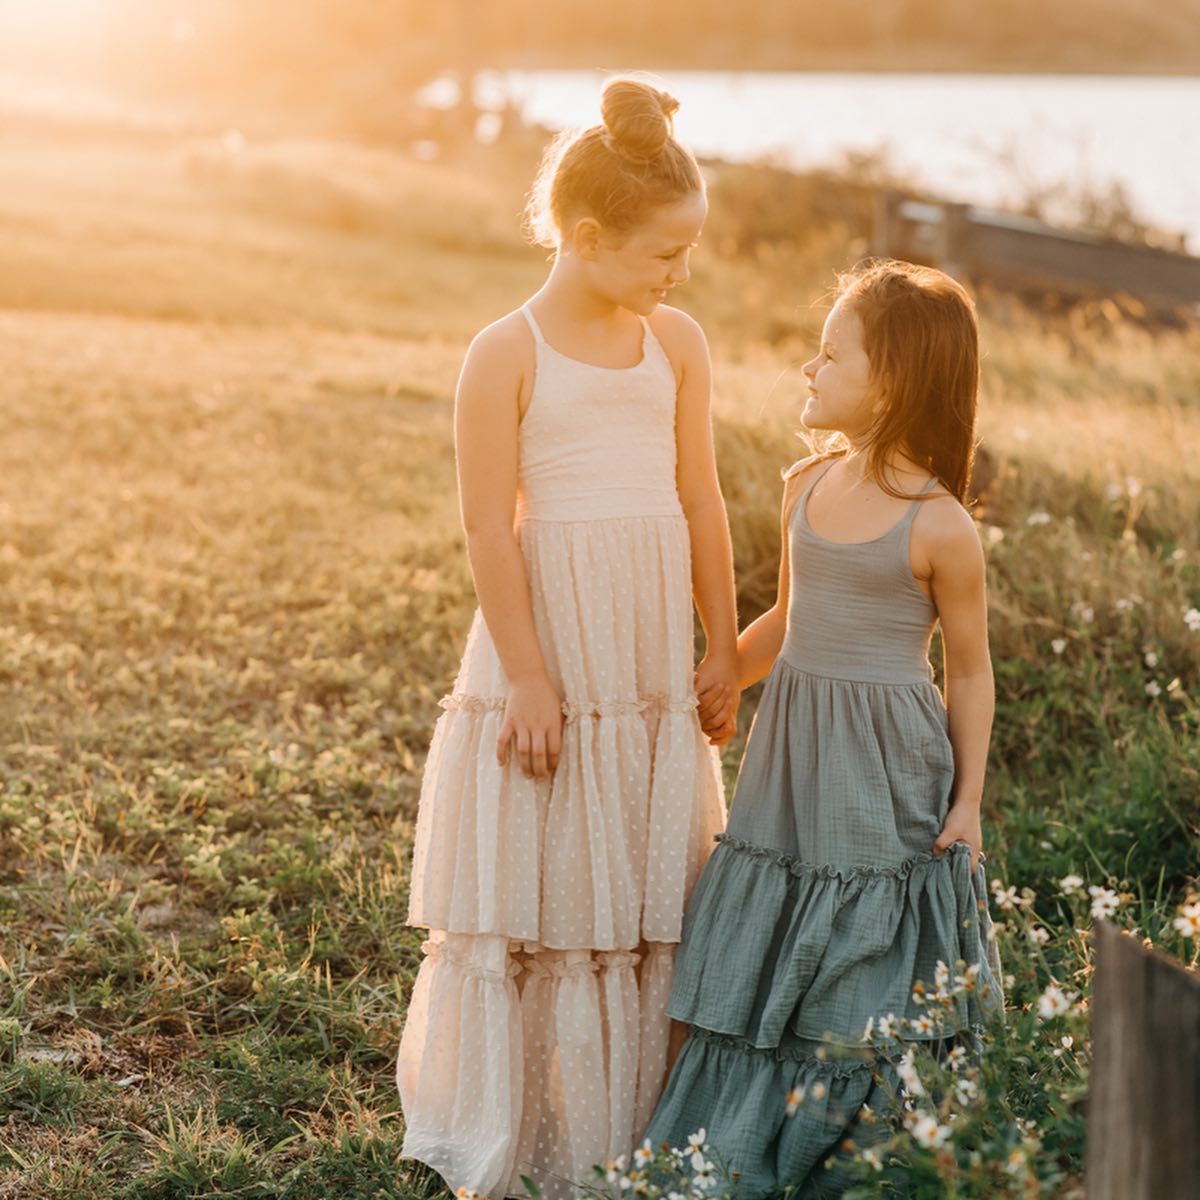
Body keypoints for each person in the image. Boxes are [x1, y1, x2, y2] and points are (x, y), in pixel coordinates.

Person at [397, 76, 738, 1200]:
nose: (676, 274)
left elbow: (702, 501)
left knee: (640, 882)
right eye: (661, 254)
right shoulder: (506, 352)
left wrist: (725, 642)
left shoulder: (674, 344)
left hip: (644, 649)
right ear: (586, 239)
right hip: (550, 642)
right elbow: (489, 531)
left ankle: (637, 1110)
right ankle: (532, 1115)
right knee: (551, 877)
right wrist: (531, 677)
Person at [644, 260, 1005, 1196]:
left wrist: (965, 803)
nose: (809, 371)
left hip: (884, 771)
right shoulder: (805, 486)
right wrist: (726, 666)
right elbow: (789, 620)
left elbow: (969, 670)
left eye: (829, 355)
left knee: (860, 957)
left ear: (890, 383)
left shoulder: (940, 527)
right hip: (791, 765)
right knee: (766, 943)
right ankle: (729, 1141)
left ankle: (851, 1153)